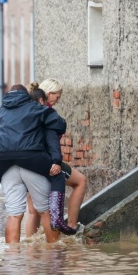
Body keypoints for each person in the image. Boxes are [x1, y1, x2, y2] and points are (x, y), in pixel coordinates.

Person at [0, 84, 76, 244]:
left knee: (12, 213)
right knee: (47, 209)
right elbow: (59, 124)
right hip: (32, 158)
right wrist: (56, 161)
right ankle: (55, 241)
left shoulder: (1, 112)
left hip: (4, 162)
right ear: (26, 95)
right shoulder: (35, 108)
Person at [25, 79, 87, 237]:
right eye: (57, 97)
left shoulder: (26, 110)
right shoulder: (47, 112)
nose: (57, 100)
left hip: (25, 163)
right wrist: (56, 161)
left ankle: (30, 247)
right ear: (47, 94)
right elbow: (53, 138)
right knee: (80, 181)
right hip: (46, 161)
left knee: (33, 211)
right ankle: (71, 227)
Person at [0, 165, 60, 243]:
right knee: (45, 212)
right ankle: (53, 249)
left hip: (9, 165)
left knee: (14, 215)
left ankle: (15, 252)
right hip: (32, 163)